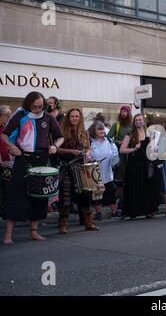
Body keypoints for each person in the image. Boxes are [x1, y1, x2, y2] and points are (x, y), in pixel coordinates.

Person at [1, 91, 64, 244]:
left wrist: (55, 146)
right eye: (35, 106)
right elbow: (4, 134)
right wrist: (12, 146)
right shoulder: (20, 115)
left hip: (41, 159)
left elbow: (60, 137)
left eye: (41, 106)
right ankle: (8, 235)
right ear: (28, 104)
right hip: (23, 158)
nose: (38, 109)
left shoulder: (48, 118)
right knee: (17, 195)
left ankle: (34, 232)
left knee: (38, 196)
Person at [57, 108, 99, 234]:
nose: (74, 118)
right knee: (65, 196)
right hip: (66, 166)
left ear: (80, 118)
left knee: (85, 195)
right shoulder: (62, 131)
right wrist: (71, 151)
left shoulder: (84, 132)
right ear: (68, 118)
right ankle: (63, 224)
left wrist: (87, 153)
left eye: (77, 116)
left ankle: (88, 222)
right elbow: (56, 149)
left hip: (81, 166)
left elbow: (87, 148)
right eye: (72, 116)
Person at [120, 114, 159, 219]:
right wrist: (133, 149)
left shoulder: (149, 134)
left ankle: (148, 211)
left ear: (144, 121)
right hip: (134, 165)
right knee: (135, 187)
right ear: (134, 122)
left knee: (147, 187)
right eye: (136, 120)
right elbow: (122, 150)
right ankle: (134, 212)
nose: (138, 121)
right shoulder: (130, 134)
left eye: (140, 120)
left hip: (146, 164)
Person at [89, 122, 119, 220]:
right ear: (94, 130)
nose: (102, 131)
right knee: (97, 194)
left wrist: (115, 159)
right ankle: (98, 213)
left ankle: (114, 211)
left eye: (102, 129)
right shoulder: (90, 142)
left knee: (111, 192)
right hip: (95, 172)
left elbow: (115, 153)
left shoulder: (109, 141)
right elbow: (86, 155)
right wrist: (89, 158)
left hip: (108, 172)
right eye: (99, 129)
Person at [108, 106, 133, 208]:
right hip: (120, 157)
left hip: (131, 155)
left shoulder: (132, 126)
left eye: (125, 112)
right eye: (122, 111)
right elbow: (108, 138)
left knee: (131, 178)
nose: (123, 113)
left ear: (129, 113)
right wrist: (119, 142)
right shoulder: (116, 125)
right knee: (120, 180)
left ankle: (131, 199)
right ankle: (121, 201)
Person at [0, 105, 12, 219]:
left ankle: (4, 211)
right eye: (7, 115)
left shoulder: (5, 128)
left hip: (6, 163)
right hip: (1, 163)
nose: (9, 117)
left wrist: (9, 157)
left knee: (6, 187)